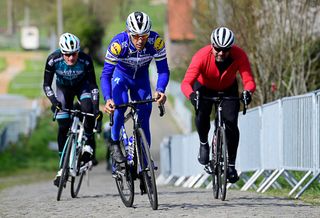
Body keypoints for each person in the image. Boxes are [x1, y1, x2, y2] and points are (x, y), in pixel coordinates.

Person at [181, 27, 256, 183]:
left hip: (228, 89)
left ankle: (231, 165)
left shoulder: (239, 55)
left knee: (231, 124)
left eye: (225, 50)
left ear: (231, 48)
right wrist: (192, 95)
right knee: (201, 114)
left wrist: (248, 92)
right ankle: (203, 143)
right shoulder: (201, 56)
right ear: (212, 45)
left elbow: (248, 79)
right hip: (204, 88)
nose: (221, 53)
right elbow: (186, 83)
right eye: (217, 49)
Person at [100, 11, 169, 165]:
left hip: (141, 79)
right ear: (128, 32)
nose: (139, 40)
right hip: (121, 77)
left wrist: (160, 89)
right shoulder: (118, 44)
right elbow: (105, 75)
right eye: (135, 36)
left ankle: (145, 164)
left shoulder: (155, 42)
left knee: (144, 118)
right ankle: (114, 142)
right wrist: (108, 98)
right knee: (120, 105)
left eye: (143, 36)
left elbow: (163, 70)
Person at [43, 32, 100, 187]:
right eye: (67, 55)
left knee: (88, 109)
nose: (71, 58)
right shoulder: (53, 60)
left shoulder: (85, 60)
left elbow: (93, 85)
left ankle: (88, 142)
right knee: (63, 126)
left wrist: (95, 108)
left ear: (78, 51)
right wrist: (54, 101)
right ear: (62, 52)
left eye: (74, 54)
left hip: (82, 88)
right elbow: (47, 85)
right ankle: (62, 169)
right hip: (63, 91)